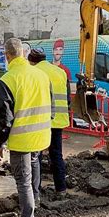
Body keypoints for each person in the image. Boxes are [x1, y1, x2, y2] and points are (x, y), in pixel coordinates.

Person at [0, 38, 53, 217]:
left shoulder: (8, 80)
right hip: (42, 137)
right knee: (34, 173)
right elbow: (51, 109)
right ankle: (33, 210)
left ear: (7, 55)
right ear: (24, 54)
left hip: (22, 140)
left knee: (24, 182)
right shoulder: (42, 76)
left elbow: (4, 118)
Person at [28, 48, 70, 199]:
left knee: (36, 156)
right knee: (56, 155)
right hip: (58, 120)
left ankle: (35, 191)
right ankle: (61, 189)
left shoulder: (34, 72)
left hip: (41, 120)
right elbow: (68, 99)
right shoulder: (60, 72)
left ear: (31, 60)